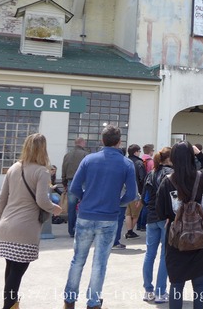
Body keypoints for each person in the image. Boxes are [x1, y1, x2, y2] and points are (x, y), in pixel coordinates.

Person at [63, 124, 137, 309]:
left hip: (86, 214)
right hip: (109, 217)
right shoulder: (126, 163)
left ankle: (69, 300)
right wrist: (117, 202)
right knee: (99, 262)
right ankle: (93, 302)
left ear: (102, 141)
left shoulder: (89, 160)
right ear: (119, 142)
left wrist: (86, 199)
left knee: (78, 259)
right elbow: (131, 194)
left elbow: (74, 188)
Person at [0, 133, 62, 309]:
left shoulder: (13, 167)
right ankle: (9, 305)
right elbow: (42, 200)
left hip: (6, 224)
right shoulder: (42, 171)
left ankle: (11, 303)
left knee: (10, 268)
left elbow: (1, 199)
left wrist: (1, 219)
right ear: (43, 149)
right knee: (18, 271)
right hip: (25, 226)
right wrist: (55, 209)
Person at [156, 141, 203, 309]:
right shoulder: (201, 177)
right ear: (190, 157)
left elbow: (160, 211)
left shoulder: (167, 181)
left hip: (176, 238)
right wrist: (199, 154)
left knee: (177, 284)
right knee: (200, 283)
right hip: (199, 237)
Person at [141, 146, 174, 304]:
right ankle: (161, 292)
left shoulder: (151, 173)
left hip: (151, 216)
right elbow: (173, 198)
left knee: (149, 254)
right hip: (165, 218)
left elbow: (145, 198)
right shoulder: (170, 174)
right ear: (169, 158)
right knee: (164, 255)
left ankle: (148, 290)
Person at [61, 137, 88, 237]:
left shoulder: (67, 155)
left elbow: (63, 170)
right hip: (83, 182)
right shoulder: (85, 155)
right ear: (82, 143)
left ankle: (71, 231)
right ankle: (80, 229)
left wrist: (64, 183)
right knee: (83, 206)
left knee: (71, 207)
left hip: (70, 181)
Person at [125, 144, 146, 239]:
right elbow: (142, 178)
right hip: (137, 191)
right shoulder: (139, 163)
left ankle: (129, 231)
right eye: (139, 151)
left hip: (125, 190)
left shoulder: (125, 161)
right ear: (135, 152)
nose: (140, 153)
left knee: (128, 213)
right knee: (136, 213)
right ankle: (130, 232)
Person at [137, 143, 156, 231]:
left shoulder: (141, 160)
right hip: (149, 185)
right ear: (151, 151)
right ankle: (143, 225)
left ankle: (139, 224)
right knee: (146, 205)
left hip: (141, 185)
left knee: (142, 203)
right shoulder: (150, 161)